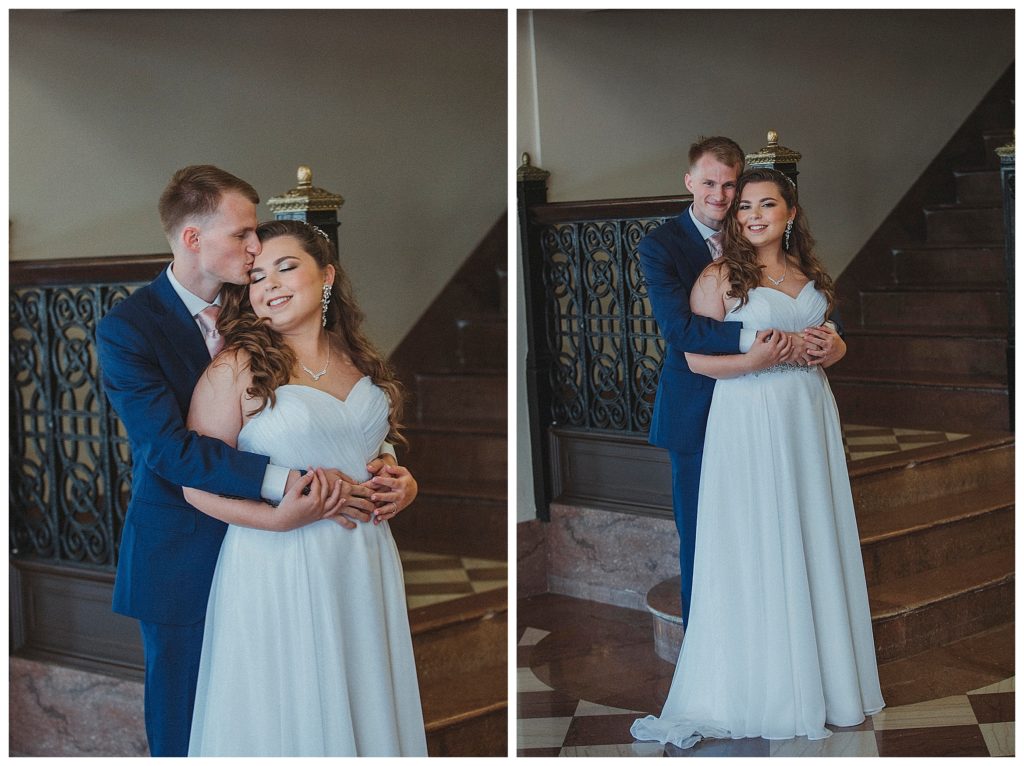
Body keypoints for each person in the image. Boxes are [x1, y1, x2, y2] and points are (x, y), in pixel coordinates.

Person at [96, 166, 404, 756]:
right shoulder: (129, 328)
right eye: (241, 236)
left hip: (293, 558)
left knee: (297, 710)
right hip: (185, 552)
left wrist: (389, 467)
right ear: (193, 240)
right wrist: (288, 484)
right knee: (190, 728)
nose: (255, 248)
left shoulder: (261, 296)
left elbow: (324, 411)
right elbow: (167, 450)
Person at [631, 168, 884, 748]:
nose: (751, 214)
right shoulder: (719, 276)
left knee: (812, 532)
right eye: (744, 205)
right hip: (751, 416)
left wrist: (834, 348)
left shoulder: (809, 273)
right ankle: (767, 684)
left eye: (766, 204)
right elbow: (695, 359)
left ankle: (828, 682)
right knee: (761, 538)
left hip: (808, 415)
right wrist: (753, 362)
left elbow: (830, 334)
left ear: (791, 213)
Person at [184, 219, 427, 756]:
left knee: (364, 693)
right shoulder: (236, 369)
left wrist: (399, 479)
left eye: (286, 267)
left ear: (327, 276)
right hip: (280, 558)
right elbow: (196, 487)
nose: (269, 284)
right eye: (257, 276)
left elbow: (363, 446)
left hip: (363, 557)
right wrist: (278, 518)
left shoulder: (357, 359)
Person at [638, 136, 845, 628]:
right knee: (704, 532)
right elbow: (679, 330)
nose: (721, 195)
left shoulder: (770, 246)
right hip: (699, 405)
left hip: (778, 412)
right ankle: (706, 645)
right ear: (690, 182)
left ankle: (778, 629)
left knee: (776, 526)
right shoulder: (661, 245)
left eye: (731, 185)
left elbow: (807, 306)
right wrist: (769, 343)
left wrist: (833, 342)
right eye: (710, 182)